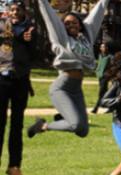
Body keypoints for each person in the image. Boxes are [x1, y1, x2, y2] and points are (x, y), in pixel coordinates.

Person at [27, 0, 110, 138]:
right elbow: (49, 15)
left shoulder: (86, 38)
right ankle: (42, 126)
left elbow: (98, 11)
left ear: (80, 25)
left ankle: (63, 116)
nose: (71, 25)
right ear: (62, 27)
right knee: (75, 125)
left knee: (83, 130)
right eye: (67, 23)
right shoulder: (61, 38)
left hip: (76, 89)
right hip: (62, 87)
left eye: (74, 22)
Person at [0, 0, 35, 175]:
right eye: (11, 9)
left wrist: (28, 38)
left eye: (18, 10)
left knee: (17, 125)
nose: (14, 12)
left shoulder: (30, 28)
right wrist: (20, 34)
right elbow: (8, 33)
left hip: (20, 80)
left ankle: (14, 165)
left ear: (23, 12)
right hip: (2, 79)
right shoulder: (3, 25)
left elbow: (35, 51)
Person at [91, 42, 113, 114]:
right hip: (100, 76)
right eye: (101, 47)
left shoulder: (110, 57)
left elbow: (113, 67)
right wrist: (97, 71)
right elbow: (99, 64)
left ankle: (96, 108)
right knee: (106, 93)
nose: (103, 48)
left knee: (101, 93)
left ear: (107, 48)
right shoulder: (100, 55)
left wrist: (109, 74)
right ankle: (111, 107)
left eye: (104, 47)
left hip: (105, 77)